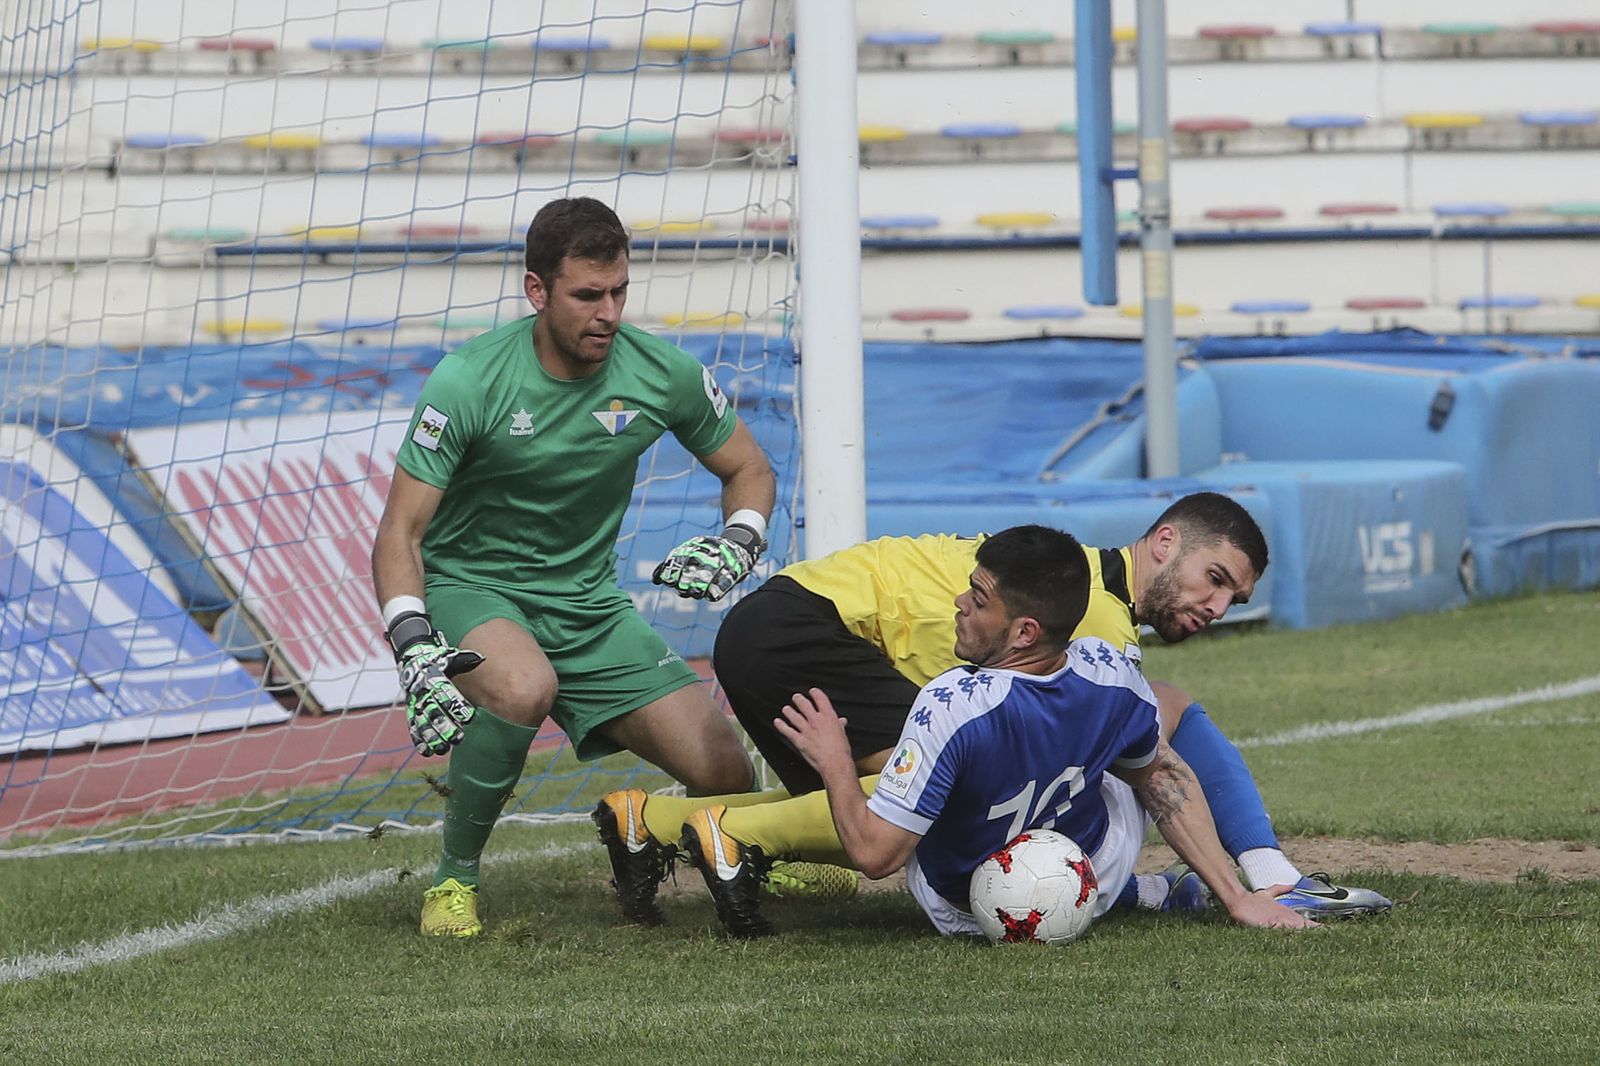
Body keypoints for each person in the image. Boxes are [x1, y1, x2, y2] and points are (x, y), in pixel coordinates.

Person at [592, 492, 1390, 930]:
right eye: (1213, 577)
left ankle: (650, 823)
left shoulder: (1066, 575)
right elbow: (1152, 745)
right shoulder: (1095, 618)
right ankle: (733, 837)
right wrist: (1238, 885)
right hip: (810, 626)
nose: (1217, 603)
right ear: (1164, 541)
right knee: (943, 807)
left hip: (784, 619)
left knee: (905, 794)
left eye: (1235, 597)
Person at [372, 196, 775, 938]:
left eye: (619, 291)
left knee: (725, 773)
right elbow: (400, 530)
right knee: (525, 686)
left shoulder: (664, 373)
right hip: (472, 590)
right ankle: (452, 883)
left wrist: (739, 540)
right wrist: (414, 643)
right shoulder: (468, 380)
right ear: (537, 291)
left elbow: (748, 466)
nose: (609, 312)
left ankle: (636, 826)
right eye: (589, 295)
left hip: (590, 606)